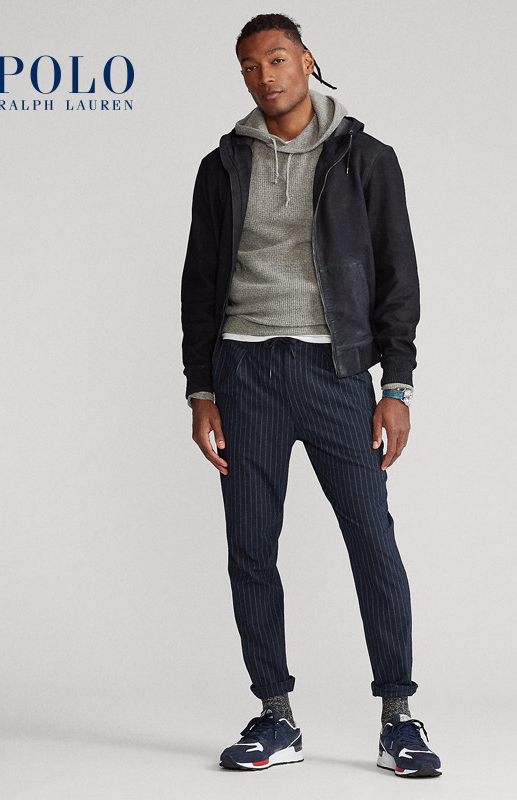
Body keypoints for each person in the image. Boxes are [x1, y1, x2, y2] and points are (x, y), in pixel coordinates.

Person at [180, 13, 441, 778]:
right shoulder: (222, 166)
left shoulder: (367, 158)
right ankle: (276, 716)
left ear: (307, 61)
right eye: (250, 65)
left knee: (372, 541)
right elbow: (199, 283)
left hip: (336, 373)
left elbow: (397, 277)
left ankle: (398, 717)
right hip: (242, 374)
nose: (265, 76)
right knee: (250, 550)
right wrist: (200, 388)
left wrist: (396, 385)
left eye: (277, 59)